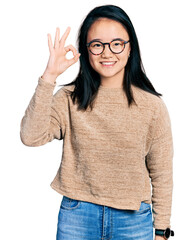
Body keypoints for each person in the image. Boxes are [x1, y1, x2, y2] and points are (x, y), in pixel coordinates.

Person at [20, 4, 174, 240]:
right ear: (86, 49)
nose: (107, 52)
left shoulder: (152, 106)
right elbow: (31, 137)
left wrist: (162, 230)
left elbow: (161, 171)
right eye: (97, 45)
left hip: (133, 220)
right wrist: (49, 75)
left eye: (117, 43)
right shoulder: (69, 99)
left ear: (130, 47)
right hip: (78, 217)